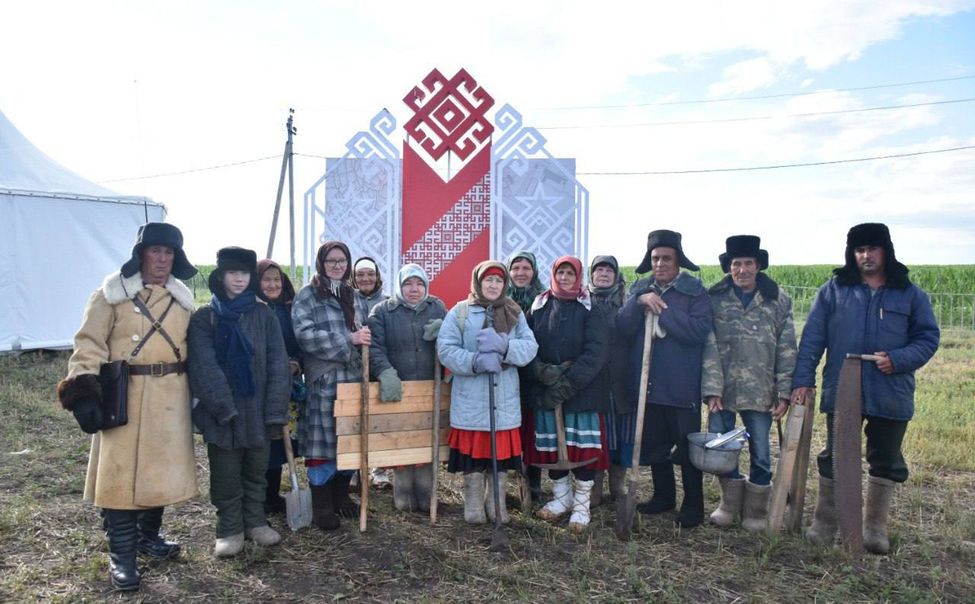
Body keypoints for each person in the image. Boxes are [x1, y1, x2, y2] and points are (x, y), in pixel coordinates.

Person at [56, 222, 198, 591]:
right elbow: (88, 344)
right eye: (156, 251)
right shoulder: (110, 295)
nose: (162, 259)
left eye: (169, 253)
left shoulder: (183, 300)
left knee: (160, 474)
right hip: (125, 395)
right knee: (120, 479)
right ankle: (123, 555)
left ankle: (148, 538)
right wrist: (84, 391)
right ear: (141, 255)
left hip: (172, 397)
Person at [791, 223, 939, 554]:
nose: (866, 256)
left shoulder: (909, 293)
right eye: (859, 250)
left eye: (872, 249)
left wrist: (898, 359)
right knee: (835, 455)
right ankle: (826, 522)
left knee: (885, 458)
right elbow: (813, 338)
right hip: (842, 387)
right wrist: (803, 380)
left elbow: (928, 337)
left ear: (885, 250)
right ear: (851, 253)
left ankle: (873, 528)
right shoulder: (834, 290)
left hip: (891, 391)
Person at [188, 247, 290, 556]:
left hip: (258, 411)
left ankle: (255, 522)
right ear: (220, 276)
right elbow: (203, 367)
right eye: (232, 273)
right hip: (222, 415)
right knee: (226, 474)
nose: (238, 279)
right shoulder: (205, 318)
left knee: (256, 471)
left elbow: (278, 363)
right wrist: (223, 408)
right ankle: (229, 529)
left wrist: (274, 411)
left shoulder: (264, 316)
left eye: (244, 273)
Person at [701, 235, 797, 531]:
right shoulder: (713, 298)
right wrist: (711, 389)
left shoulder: (778, 299)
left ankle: (756, 511)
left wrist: (783, 392)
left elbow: (787, 347)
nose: (741, 270)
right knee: (722, 451)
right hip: (724, 391)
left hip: (761, 391)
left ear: (758, 266)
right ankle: (728, 506)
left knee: (762, 454)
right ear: (729, 267)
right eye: (736, 264)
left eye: (747, 264)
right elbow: (708, 346)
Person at [617, 229, 712, 529]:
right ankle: (663, 497)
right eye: (655, 258)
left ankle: (694, 505)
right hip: (649, 386)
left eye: (666, 258)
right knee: (655, 446)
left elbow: (698, 331)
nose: (660, 264)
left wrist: (663, 309)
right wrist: (639, 301)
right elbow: (622, 327)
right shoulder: (640, 289)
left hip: (681, 386)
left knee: (686, 450)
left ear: (678, 261)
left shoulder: (694, 291)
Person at [437, 261, 538, 524]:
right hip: (471, 400)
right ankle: (472, 506)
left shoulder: (515, 312)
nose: (493, 285)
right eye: (488, 280)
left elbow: (530, 347)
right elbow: (445, 349)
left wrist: (505, 347)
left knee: (500, 458)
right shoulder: (460, 312)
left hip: (503, 399)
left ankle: (497, 504)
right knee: (474, 458)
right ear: (478, 282)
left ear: (505, 284)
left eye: (498, 281)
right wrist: (474, 361)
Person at [525, 256, 610, 532]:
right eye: (560, 273)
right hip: (547, 391)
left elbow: (596, 353)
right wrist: (540, 371)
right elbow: (526, 342)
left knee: (581, 449)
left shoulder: (590, 308)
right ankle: (562, 498)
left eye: (569, 274)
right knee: (553, 448)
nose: (564, 278)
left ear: (578, 277)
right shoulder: (539, 306)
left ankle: (582, 505)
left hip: (581, 393)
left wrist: (567, 384)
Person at [292, 241, 372, 530]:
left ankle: (340, 497)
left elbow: (365, 332)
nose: (337, 265)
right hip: (325, 380)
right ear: (321, 263)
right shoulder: (308, 295)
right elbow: (304, 335)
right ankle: (322, 506)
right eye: (331, 261)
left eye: (342, 260)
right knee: (323, 445)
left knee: (349, 441)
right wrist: (347, 340)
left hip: (353, 380)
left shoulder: (355, 296)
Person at [367, 264, 447, 512]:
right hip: (396, 388)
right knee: (400, 440)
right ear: (400, 286)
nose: (414, 289)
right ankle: (402, 492)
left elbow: (454, 339)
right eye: (408, 284)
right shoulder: (382, 311)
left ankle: (426, 492)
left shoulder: (437, 307)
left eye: (419, 284)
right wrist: (384, 372)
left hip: (427, 388)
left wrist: (443, 330)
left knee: (425, 438)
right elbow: (374, 346)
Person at [255, 259, 304, 516]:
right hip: (260, 390)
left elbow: (300, 345)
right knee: (262, 442)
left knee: (280, 443)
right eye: (266, 279)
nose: (273, 284)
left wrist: (295, 364)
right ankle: (258, 499)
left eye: (277, 279)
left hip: (287, 388)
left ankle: (272, 497)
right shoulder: (252, 310)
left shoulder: (290, 309)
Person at [586, 255, 629, 506]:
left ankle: (617, 484)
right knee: (596, 435)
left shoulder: (626, 302)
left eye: (608, 270)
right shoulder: (583, 302)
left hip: (621, 379)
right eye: (599, 269)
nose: (603, 274)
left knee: (620, 434)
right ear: (591, 275)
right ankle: (594, 486)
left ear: (616, 275)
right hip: (593, 380)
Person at [505, 250, 546, 503]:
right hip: (508, 373)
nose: (520, 273)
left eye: (526, 268)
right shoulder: (499, 299)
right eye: (516, 268)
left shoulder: (543, 300)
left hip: (534, 374)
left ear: (534, 272)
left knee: (532, 430)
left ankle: (533, 486)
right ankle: (510, 484)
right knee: (511, 429)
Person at [351, 255, 391, 488]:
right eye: (360, 275)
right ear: (354, 279)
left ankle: (380, 470)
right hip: (354, 368)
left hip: (380, 366)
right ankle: (355, 470)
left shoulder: (387, 302)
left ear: (377, 277)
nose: (366, 279)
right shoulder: (346, 301)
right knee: (356, 419)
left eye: (370, 274)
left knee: (381, 419)